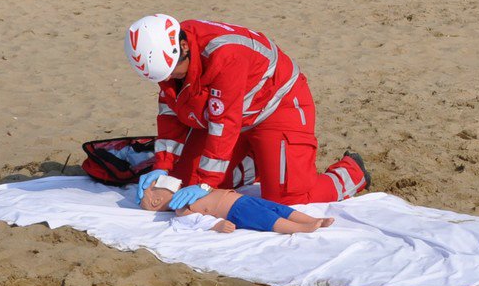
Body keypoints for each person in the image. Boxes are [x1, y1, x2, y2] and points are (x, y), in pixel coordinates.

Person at [125, 14, 370, 210]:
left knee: (288, 199)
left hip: (278, 106)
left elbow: (224, 124)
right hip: (234, 114)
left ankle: (351, 172)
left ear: (185, 46)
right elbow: (171, 112)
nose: (170, 79)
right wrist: (163, 165)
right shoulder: (171, 61)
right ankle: (258, 161)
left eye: (173, 72)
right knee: (183, 182)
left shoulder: (225, 55)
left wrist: (207, 182)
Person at [139, 175, 335, 235]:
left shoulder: (187, 190)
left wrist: (203, 186)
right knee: (269, 219)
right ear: (156, 201)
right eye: (154, 185)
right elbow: (195, 221)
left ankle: (313, 219)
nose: (159, 179)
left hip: (240, 199)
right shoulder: (180, 207)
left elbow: (207, 186)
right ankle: (301, 228)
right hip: (236, 210)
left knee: (277, 208)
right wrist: (216, 225)